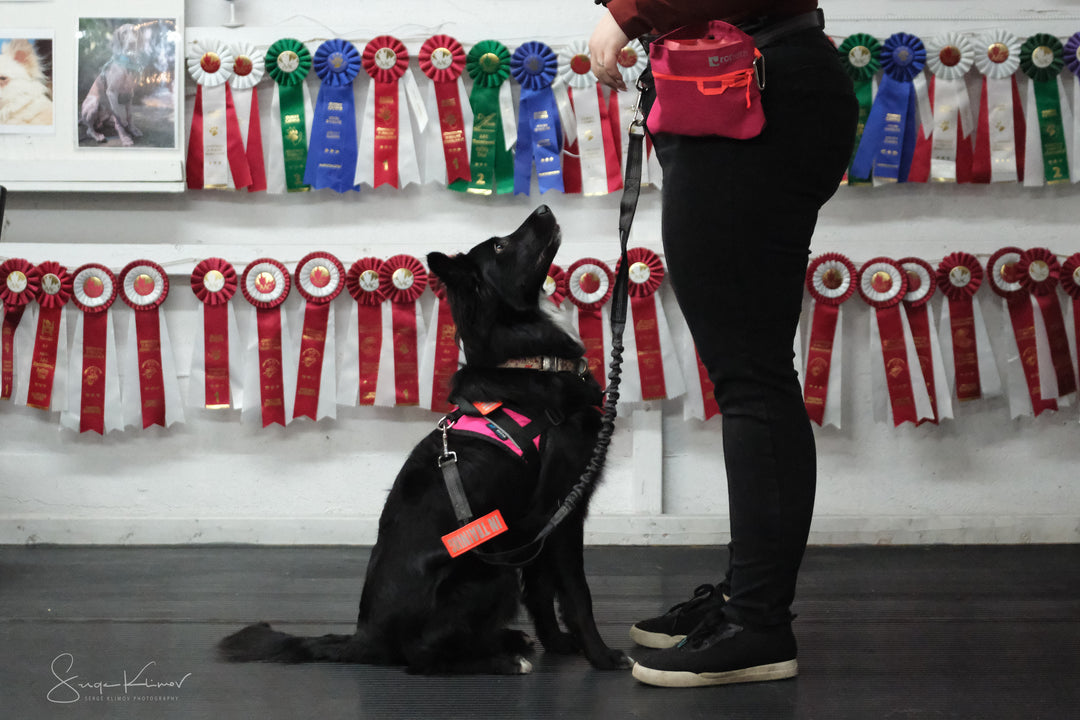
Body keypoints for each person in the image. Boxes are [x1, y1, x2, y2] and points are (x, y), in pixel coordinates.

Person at [589, 0, 858, 688]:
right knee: (750, 368)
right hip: (739, 79)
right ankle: (747, 602)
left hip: (752, 85)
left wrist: (630, 11)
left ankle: (759, 624)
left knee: (751, 372)